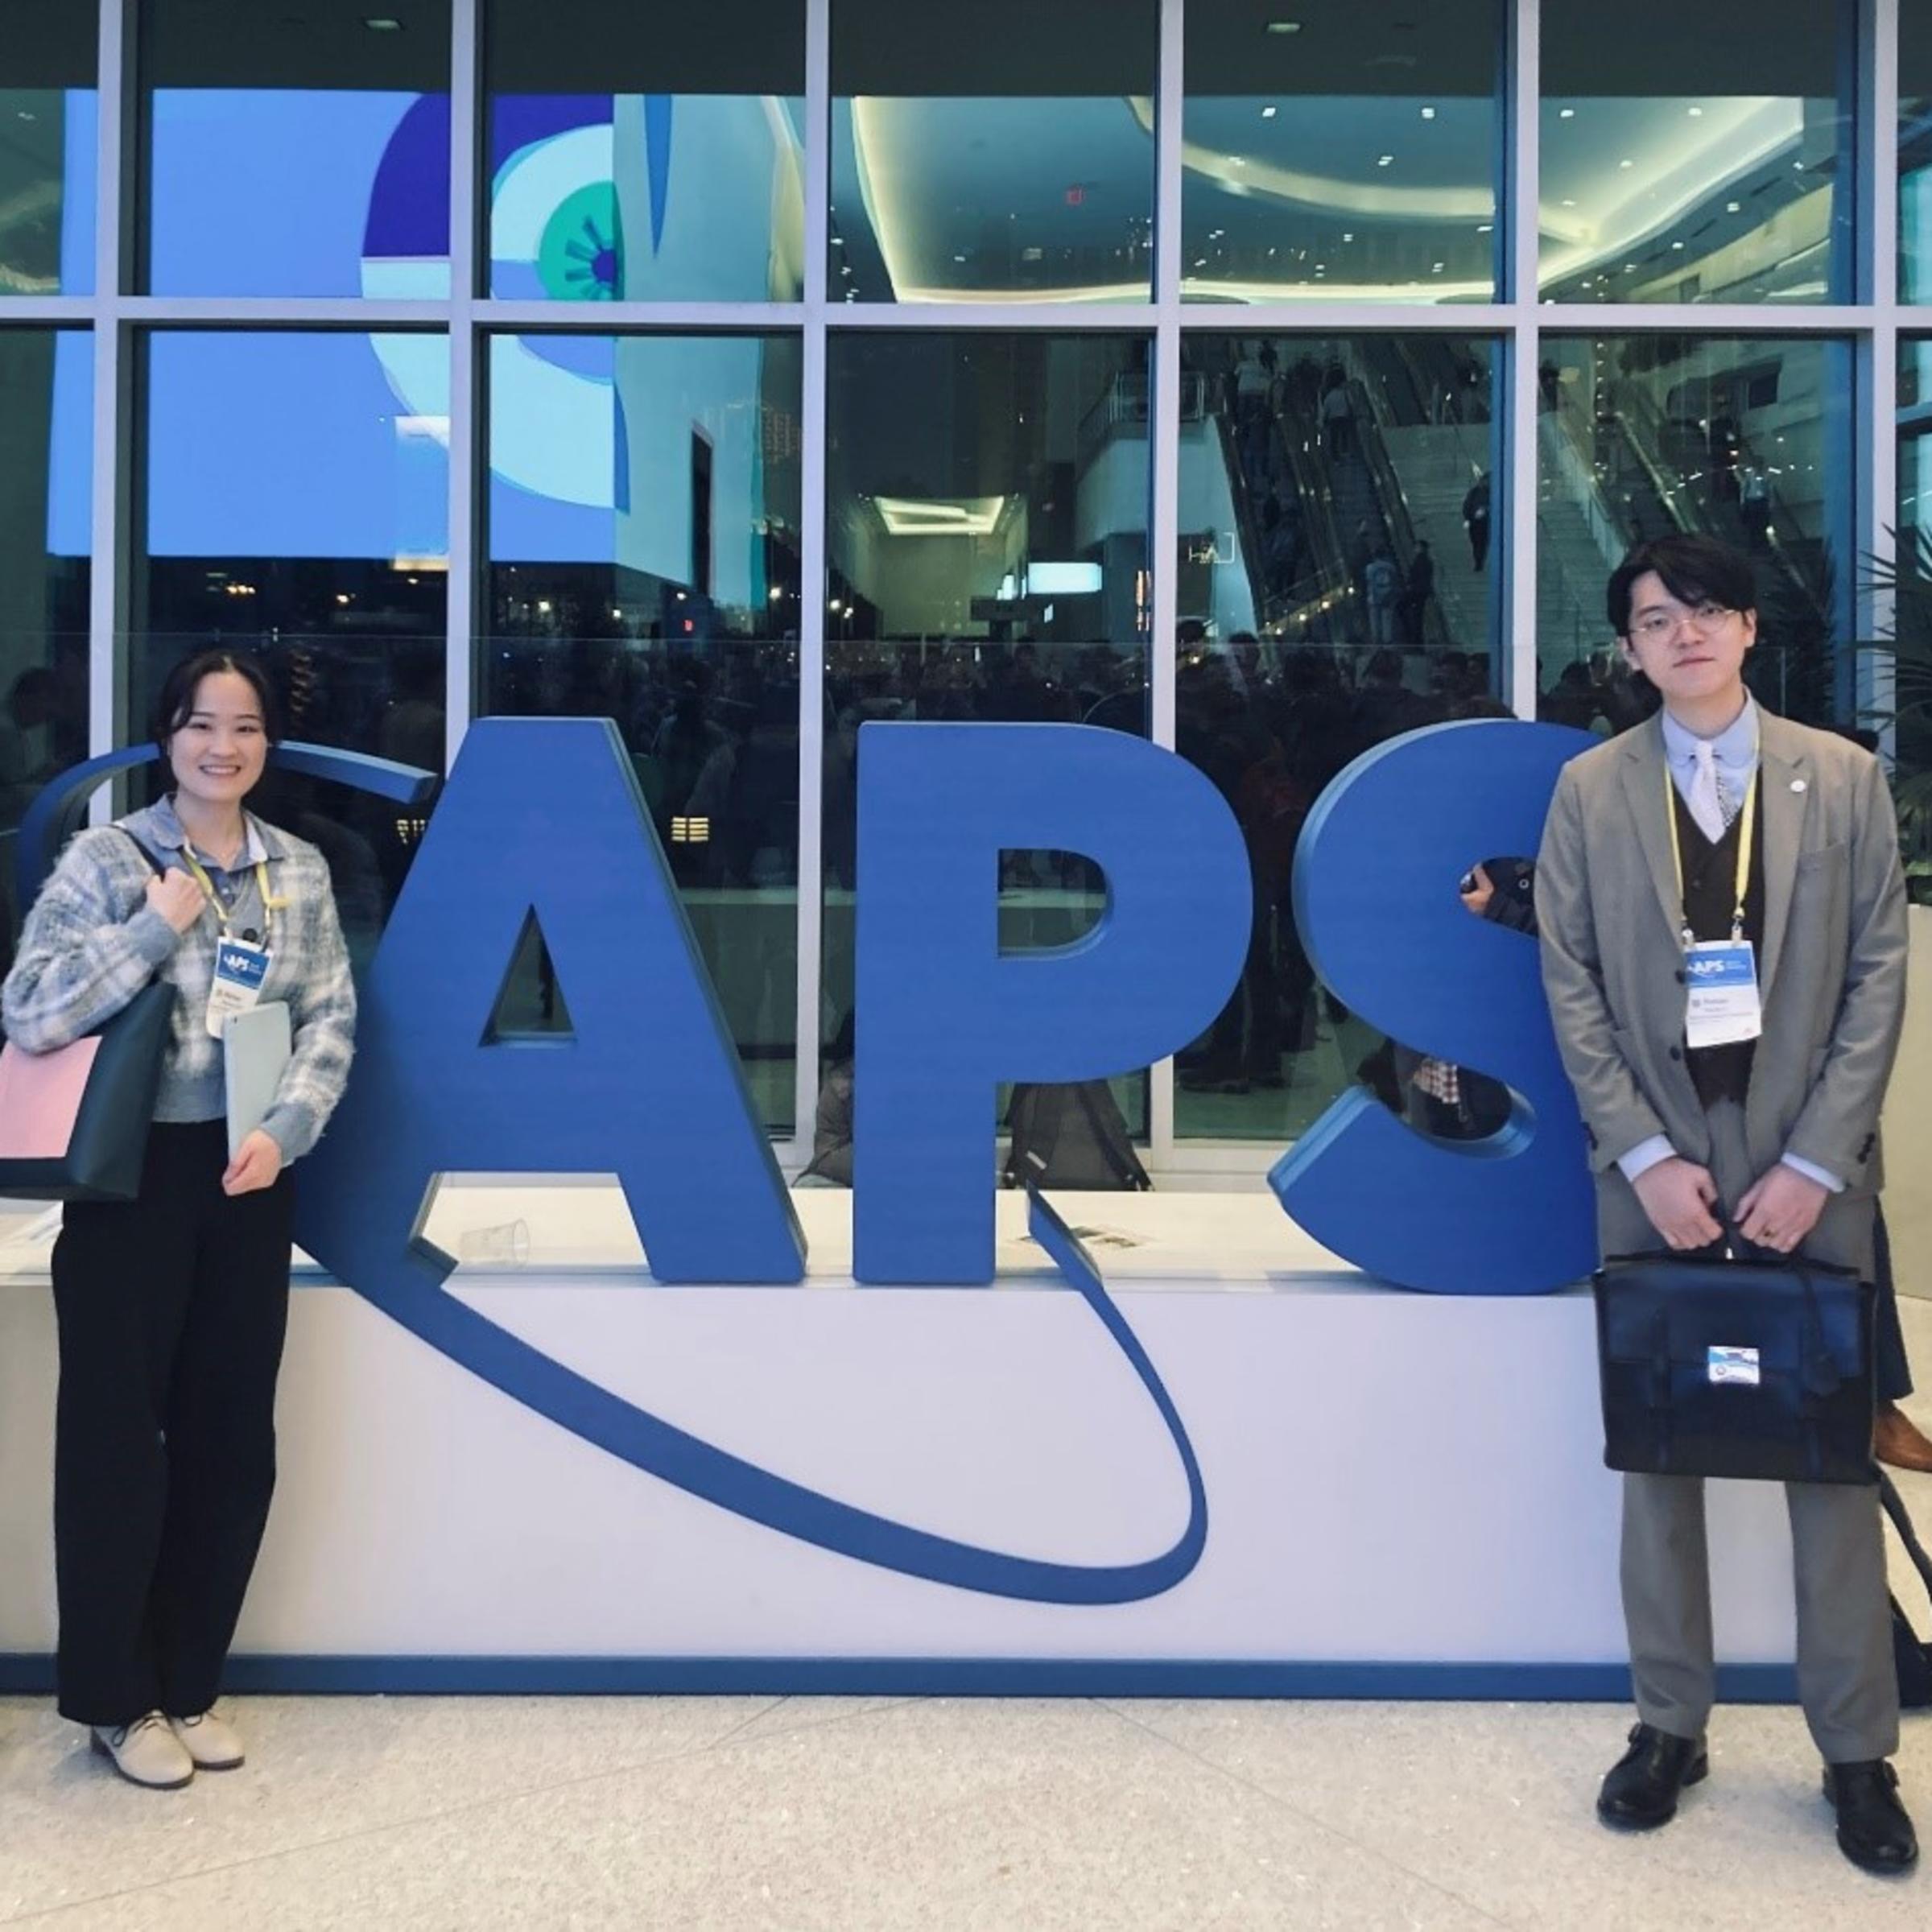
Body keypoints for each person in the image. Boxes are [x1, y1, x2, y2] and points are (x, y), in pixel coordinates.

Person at [1534, 535, 1916, 1874]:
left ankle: (1856, 1753)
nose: (1683, 635)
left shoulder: (1846, 779)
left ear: (1748, 629)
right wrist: (1642, 1154)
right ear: (1629, 650)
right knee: (1662, 1457)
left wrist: (1815, 1161)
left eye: (1705, 611)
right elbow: (1569, 983)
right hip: (1660, 1174)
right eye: (1654, 619)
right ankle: (1669, 1726)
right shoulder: (1589, 790)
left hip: (1811, 1172)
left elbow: (1878, 978)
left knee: (1829, 1460)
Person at [1, 650, 356, 1790]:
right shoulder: (111, 860)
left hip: (246, 1177)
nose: (224, 747)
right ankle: (116, 1699)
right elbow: (30, 1006)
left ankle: (190, 1680)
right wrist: (152, 928)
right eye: (203, 725)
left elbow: (330, 1017)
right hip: (127, 1187)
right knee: (115, 1446)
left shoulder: (295, 870)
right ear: (167, 734)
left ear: (267, 745)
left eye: (245, 727)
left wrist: (285, 1130)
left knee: (228, 1439)